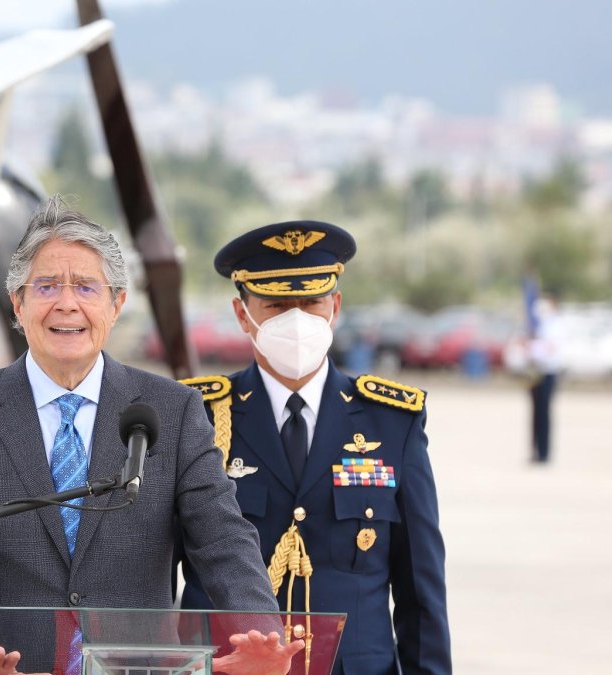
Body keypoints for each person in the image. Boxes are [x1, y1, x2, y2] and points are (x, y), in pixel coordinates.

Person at [0, 198, 300, 675]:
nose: (67, 303)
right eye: (46, 286)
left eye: (86, 286)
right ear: (18, 304)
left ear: (117, 304)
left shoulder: (172, 410)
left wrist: (261, 635)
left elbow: (223, 542)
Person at [178, 220, 451, 674]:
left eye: (311, 302)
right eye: (277, 305)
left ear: (336, 306)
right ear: (242, 314)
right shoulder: (196, 417)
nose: (297, 320)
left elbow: (420, 589)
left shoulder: (392, 421)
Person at [527, 292, 561, 463]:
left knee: (544, 413)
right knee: (535, 413)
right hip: (535, 371)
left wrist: (534, 348)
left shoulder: (557, 324)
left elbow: (551, 347)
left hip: (548, 372)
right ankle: (535, 450)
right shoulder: (540, 323)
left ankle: (544, 452)